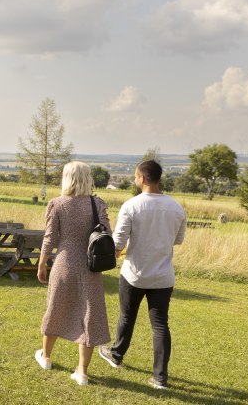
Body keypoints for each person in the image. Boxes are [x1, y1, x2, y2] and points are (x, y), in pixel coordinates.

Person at [99, 160, 186, 390]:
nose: (135, 180)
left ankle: (116, 354)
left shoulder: (131, 206)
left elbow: (118, 242)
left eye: (136, 176)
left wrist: (115, 251)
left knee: (127, 316)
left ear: (143, 179)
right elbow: (178, 240)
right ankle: (160, 377)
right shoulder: (176, 207)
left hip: (134, 273)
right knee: (160, 325)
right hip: (163, 275)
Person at [35, 161, 111, 386]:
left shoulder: (56, 204)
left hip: (64, 263)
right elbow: (107, 233)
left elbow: (49, 237)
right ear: (88, 179)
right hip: (91, 265)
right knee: (90, 314)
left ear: (66, 178)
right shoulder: (97, 204)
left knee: (56, 307)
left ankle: (46, 358)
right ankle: (82, 372)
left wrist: (41, 264)